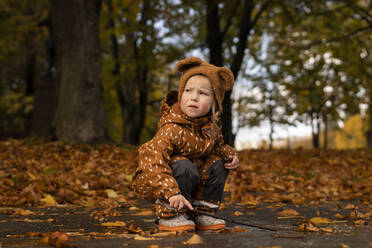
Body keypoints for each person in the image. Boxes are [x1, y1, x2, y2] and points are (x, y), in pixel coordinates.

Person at [132, 57, 239, 232]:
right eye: (188, 91)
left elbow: (218, 148)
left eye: (203, 93)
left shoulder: (211, 130)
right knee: (183, 165)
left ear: (214, 103)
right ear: (181, 95)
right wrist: (170, 191)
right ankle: (170, 214)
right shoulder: (172, 128)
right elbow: (150, 157)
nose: (194, 97)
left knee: (218, 163)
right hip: (160, 179)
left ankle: (202, 212)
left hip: (193, 178)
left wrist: (230, 155)